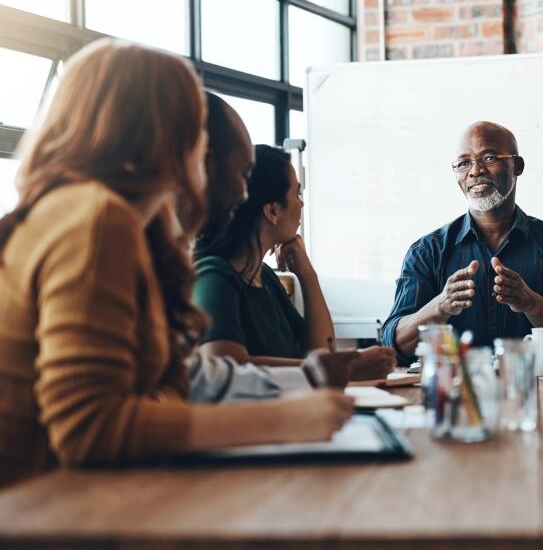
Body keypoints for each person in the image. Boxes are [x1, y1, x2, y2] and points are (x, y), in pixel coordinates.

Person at [0, 39, 353, 488]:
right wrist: (280, 421)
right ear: (162, 136)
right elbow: (88, 427)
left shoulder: (74, 214)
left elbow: (159, 385)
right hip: (42, 519)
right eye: (193, 133)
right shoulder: (96, 219)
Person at [380, 121, 543, 364]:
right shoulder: (426, 252)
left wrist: (531, 303)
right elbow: (393, 345)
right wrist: (439, 307)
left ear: (517, 165)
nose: (475, 171)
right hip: (455, 393)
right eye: (464, 163)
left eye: (489, 158)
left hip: (538, 392)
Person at [193, 144, 395, 374]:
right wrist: (348, 366)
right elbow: (223, 367)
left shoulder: (265, 277)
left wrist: (308, 276)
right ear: (273, 211)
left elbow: (320, 351)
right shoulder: (214, 276)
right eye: (297, 194)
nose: (302, 204)